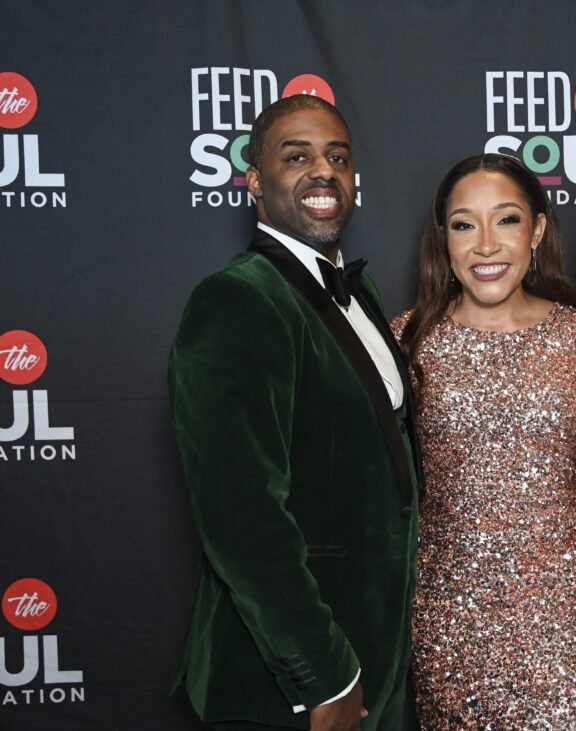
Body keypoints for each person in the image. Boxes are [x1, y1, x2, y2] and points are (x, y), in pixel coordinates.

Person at [168, 94, 420, 731]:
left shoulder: (358, 293)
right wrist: (323, 676)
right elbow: (241, 517)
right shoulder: (234, 301)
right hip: (288, 681)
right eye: (296, 156)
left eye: (337, 156)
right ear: (255, 181)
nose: (323, 171)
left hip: (377, 657)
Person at [392, 153, 576, 729]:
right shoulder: (409, 341)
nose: (485, 245)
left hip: (560, 624)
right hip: (448, 627)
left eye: (506, 220)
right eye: (464, 224)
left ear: (536, 229)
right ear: (444, 238)